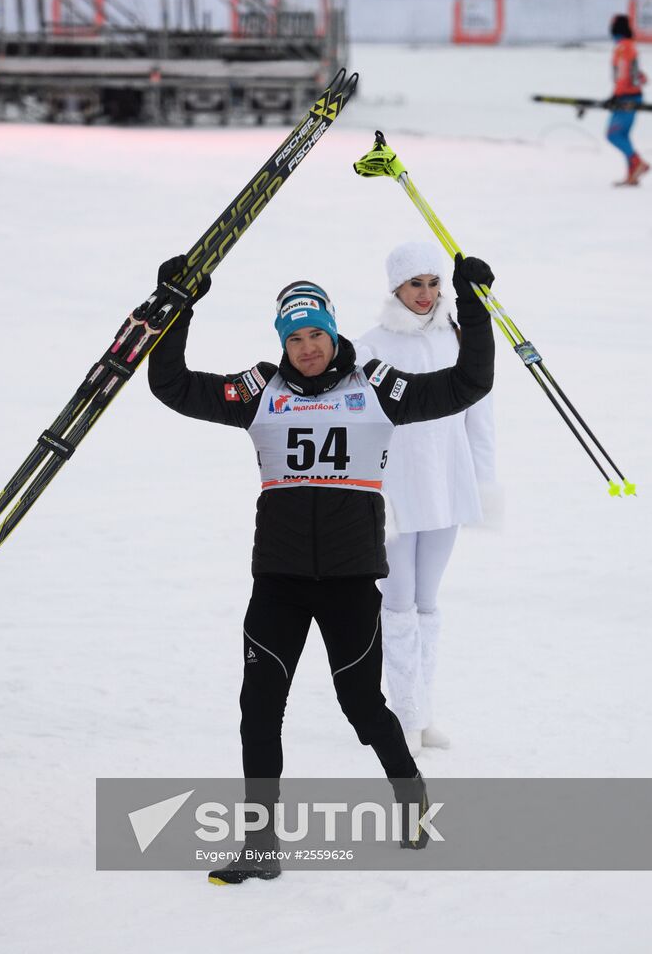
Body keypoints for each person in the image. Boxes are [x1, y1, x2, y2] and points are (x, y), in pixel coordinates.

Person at [147, 250, 495, 884]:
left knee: (360, 703)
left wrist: (471, 305)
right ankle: (260, 845)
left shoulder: (376, 385)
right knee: (259, 705)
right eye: (295, 337)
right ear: (282, 340)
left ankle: (410, 796)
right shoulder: (260, 391)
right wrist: (179, 306)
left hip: (350, 580)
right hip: (277, 580)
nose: (307, 348)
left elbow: (466, 385)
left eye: (317, 334)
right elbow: (172, 386)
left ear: (334, 331)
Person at [356, 241, 498, 758]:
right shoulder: (368, 346)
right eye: (415, 283)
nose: (426, 293)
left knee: (428, 606)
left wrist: (482, 481)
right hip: (395, 492)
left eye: (434, 283)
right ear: (395, 286)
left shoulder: (457, 339)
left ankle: (424, 710)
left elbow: (480, 418)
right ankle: (405, 716)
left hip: (448, 486)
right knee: (398, 603)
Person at [606, 14, 649, 186]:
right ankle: (633, 172)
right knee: (622, 135)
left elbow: (623, 74)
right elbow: (636, 75)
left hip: (626, 97)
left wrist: (616, 95)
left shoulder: (623, 48)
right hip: (631, 94)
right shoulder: (630, 46)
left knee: (614, 134)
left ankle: (637, 162)